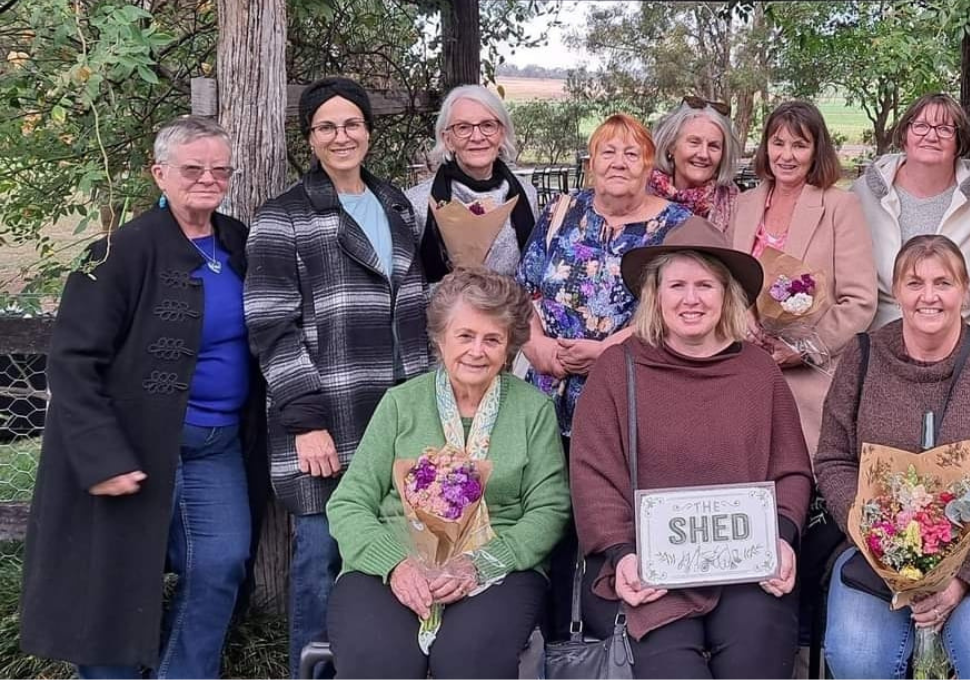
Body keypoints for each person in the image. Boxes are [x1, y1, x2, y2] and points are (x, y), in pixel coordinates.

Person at [20, 116, 265, 678]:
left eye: (220, 169)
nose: (208, 178)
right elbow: (73, 362)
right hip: (136, 446)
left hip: (216, 444)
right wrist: (101, 455)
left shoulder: (238, 242)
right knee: (116, 578)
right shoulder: (119, 254)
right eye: (193, 168)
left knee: (221, 562)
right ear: (160, 173)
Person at [244, 76, 432, 677]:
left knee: (399, 549)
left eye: (352, 123)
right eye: (326, 126)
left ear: (369, 133)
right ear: (311, 139)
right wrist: (305, 420)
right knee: (322, 555)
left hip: (400, 414)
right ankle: (313, 670)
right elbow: (270, 326)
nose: (341, 135)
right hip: (331, 418)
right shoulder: (284, 218)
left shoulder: (397, 205)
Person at [569, 217, 813, 679]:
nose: (691, 299)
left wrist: (781, 537)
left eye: (705, 285)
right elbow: (592, 474)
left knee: (756, 657)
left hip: (746, 570)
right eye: (676, 284)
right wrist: (622, 554)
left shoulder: (759, 373)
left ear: (727, 295)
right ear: (655, 295)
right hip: (648, 571)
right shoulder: (617, 371)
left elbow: (792, 471)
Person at [816, 235, 970, 679]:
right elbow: (832, 458)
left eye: (943, 282)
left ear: (964, 291)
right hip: (877, 556)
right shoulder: (863, 357)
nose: (929, 296)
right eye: (915, 282)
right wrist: (877, 536)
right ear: (897, 291)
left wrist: (964, 576)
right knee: (857, 653)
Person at [325, 267, 570, 678]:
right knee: (380, 661)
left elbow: (550, 510)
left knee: (467, 660)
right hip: (392, 564)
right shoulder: (401, 403)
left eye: (492, 339)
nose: (478, 350)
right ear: (440, 340)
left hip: (496, 568)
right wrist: (397, 565)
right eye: (465, 336)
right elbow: (349, 502)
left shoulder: (533, 410)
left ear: (509, 346)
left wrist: (480, 564)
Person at [515, 113, 695, 641]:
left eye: (631, 153)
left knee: (611, 514)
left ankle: (609, 639)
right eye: (607, 153)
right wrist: (538, 346)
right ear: (590, 163)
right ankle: (543, 639)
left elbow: (678, 306)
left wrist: (607, 353)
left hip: (632, 391)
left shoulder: (675, 227)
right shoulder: (559, 213)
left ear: (650, 166)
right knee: (549, 510)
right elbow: (523, 291)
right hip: (549, 390)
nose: (618, 163)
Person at [726, 100, 876, 462]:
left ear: (816, 150)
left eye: (799, 144)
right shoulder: (743, 205)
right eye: (778, 143)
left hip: (809, 378)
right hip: (743, 371)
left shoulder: (841, 207)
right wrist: (739, 315)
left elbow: (860, 300)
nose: (786, 155)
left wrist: (806, 348)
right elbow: (726, 282)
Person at [852, 93, 970, 329]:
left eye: (945, 129)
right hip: (881, 334)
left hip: (957, 335)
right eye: (921, 126)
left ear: (959, 142)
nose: (932, 135)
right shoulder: (862, 194)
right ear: (904, 135)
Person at [407, 84, 537, 280]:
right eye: (463, 127)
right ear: (447, 139)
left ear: (501, 134)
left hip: (513, 309)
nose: (477, 137)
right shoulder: (417, 203)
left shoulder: (527, 194)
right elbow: (410, 284)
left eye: (487, 125)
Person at [648, 96, 741, 230]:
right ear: (671, 146)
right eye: (694, 142)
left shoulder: (736, 206)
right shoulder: (642, 193)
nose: (704, 154)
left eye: (713, 146)